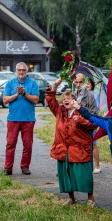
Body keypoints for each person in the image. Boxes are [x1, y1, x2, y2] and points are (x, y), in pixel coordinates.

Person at [45, 78, 96, 206]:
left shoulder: (81, 111)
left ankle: (90, 198)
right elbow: (50, 100)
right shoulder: (60, 111)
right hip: (63, 149)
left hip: (79, 148)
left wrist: (80, 120)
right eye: (64, 98)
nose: (66, 100)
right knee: (65, 174)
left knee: (84, 174)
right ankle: (71, 198)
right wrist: (55, 85)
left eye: (69, 98)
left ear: (75, 100)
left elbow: (93, 125)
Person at [3, 62, 39, 175]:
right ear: (16, 71)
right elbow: (5, 100)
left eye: (23, 70)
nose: (21, 72)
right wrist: (17, 94)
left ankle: (25, 167)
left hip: (28, 119)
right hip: (13, 119)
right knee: (10, 144)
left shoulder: (33, 83)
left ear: (27, 71)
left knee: (27, 145)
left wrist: (24, 93)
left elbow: (36, 100)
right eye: (19, 70)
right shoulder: (10, 83)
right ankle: (8, 168)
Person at [86, 77, 101, 173]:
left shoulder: (94, 95)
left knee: (93, 143)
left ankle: (97, 165)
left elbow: (96, 110)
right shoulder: (81, 94)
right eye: (86, 83)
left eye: (88, 83)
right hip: (84, 121)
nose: (87, 85)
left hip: (92, 120)